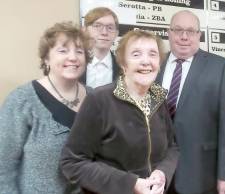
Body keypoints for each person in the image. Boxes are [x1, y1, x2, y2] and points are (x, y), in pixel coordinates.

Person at [60, 30, 179, 194]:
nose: (146, 61)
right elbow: (72, 162)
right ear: (123, 64)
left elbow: (172, 148)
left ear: (159, 64)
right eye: (136, 54)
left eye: (153, 54)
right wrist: (131, 184)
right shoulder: (99, 100)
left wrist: (162, 173)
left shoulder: (159, 99)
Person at [0, 21, 91, 193]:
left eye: (79, 51)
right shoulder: (22, 100)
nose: (73, 57)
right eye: (63, 51)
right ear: (46, 58)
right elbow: (3, 168)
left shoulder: (96, 99)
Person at [156, 10, 225, 194]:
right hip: (156, 171)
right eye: (178, 30)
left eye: (191, 31)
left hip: (201, 173)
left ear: (199, 35)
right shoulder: (154, 63)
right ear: (168, 33)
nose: (184, 36)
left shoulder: (219, 66)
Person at [80, 7, 121, 88]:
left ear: (116, 33)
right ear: (84, 30)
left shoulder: (124, 68)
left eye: (110, 27)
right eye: (97, 26)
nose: (104, 32)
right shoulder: (73, 63)